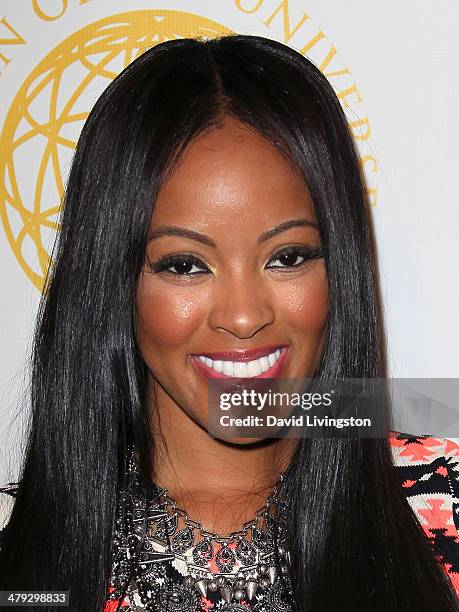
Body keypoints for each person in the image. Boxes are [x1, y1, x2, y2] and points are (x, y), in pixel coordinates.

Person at [0, 34, 458, 612]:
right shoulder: (23, 573)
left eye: (288, 257)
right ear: (112, 281)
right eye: (186, 265)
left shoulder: (445, 500)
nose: (244, 317)